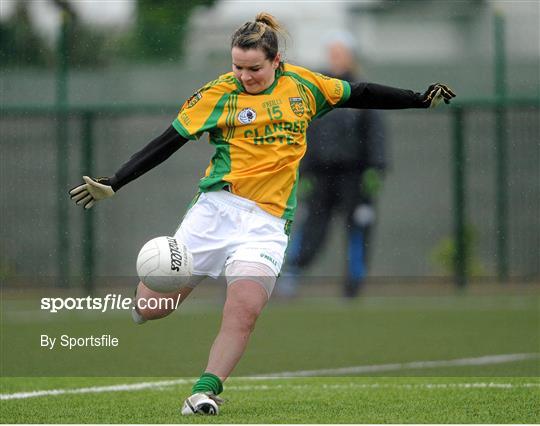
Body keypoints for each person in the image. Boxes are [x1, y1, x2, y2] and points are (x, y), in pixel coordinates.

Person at [69, 12, 455, 416]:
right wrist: (115, 181)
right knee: (153, 309)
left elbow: (360, 92)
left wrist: (417, 98)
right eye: (238, 66)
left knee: (245, 309)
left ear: (275, 62)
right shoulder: (218, 94)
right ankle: (143, 298)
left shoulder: (305, 86)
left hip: (267, 225)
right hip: (215, 212)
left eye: (254, 68)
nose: (245, 75)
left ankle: (204, 391)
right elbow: (167, 142)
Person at [278, 33, 387, 298]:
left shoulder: (363, 90)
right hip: (320, 176)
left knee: (357, 230)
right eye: (332, 53)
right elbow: (305, 132)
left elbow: (376, 133)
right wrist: (303, 172)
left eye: (340, 53)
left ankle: (353, 287)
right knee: (311, 229)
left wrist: (376, 168)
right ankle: (289, 279)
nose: (335, 58)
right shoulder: (317, 90)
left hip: (355, 177)